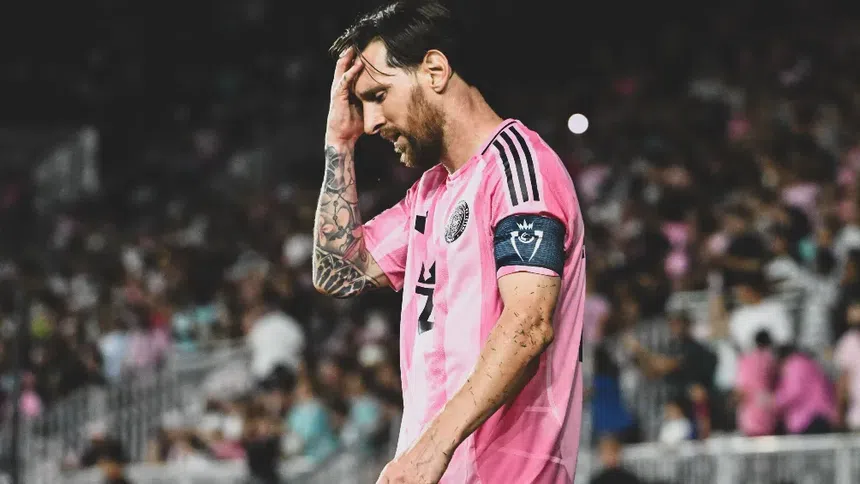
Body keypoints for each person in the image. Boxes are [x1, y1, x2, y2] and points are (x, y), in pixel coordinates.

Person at [312, 2, 585, 482]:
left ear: (434, 70)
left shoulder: (518, 168)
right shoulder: (429, 194)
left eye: (378, 95)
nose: (370, 122)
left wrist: (430, 449)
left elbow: (527, 325)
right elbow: (337, 271)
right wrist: (339, 142)